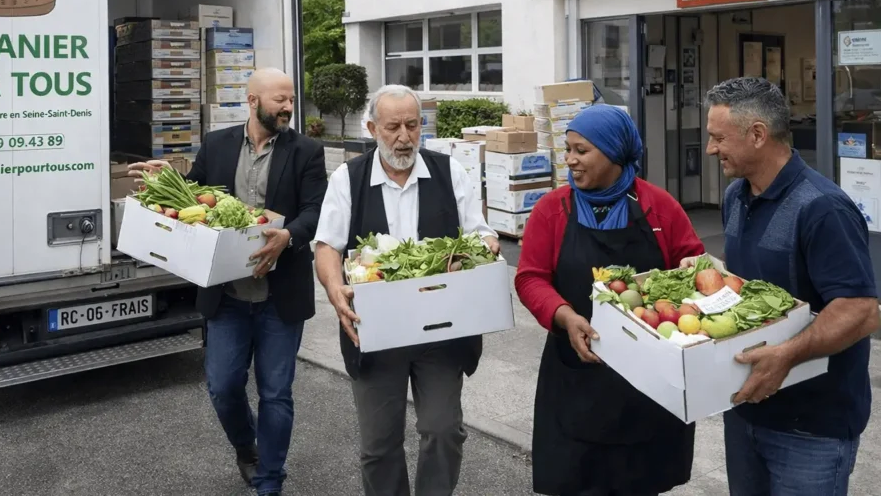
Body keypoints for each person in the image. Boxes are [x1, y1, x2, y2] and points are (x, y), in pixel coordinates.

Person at [128, 68, 327, 496]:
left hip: (280, 297)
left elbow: (315, 210)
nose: (289, 107)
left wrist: (288, 235)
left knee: (276, 393)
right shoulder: (217, 144)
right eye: (280, 100)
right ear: (253, 102)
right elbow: (197, 200)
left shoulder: (307, 151)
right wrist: (167, 180)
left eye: (291, 99)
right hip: (229, 297)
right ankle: (247, 447)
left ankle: (270, 480)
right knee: (222, 387)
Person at [686, 77, 879, 496]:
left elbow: (861, 310)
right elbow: (754, 286)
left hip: (812, 429)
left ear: (757, 134)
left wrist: (788, 355)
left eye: (718, 138)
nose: (710, 149)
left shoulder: (822, 208)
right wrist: (709, 272)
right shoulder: (737, 196)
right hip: (746, 409)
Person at [313, 84, 500, 496]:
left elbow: (482, 234)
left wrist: (479, 250)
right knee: (379, 445)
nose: (404, 136)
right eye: (393, 126)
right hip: (376, 331)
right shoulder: (349, 178)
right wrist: (334, 287)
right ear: (372, 128)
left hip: (441, 330)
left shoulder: (450, 172)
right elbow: (327, 245)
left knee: (443, 429)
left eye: (413, 125)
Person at [514, 104, 704, 496]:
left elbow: (693, 264)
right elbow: (530, 278)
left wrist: (691, 268)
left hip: (648, 382)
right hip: (576, 375)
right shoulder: (553, 209)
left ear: (614, 152)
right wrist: (563, 315)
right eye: (567, 149)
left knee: (640, 481)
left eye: (581, 151)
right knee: (576, 480)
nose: (570, 160)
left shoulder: (659, 207)